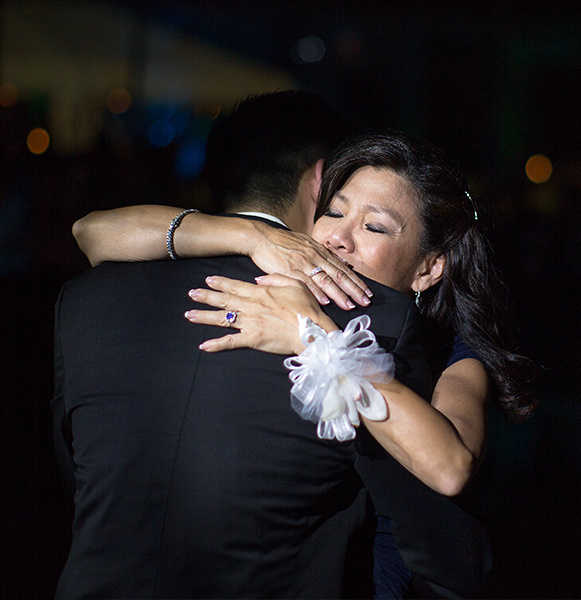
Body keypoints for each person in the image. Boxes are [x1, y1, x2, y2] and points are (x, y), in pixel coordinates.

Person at [73, 131, 535, 598]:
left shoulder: (454, 355)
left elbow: (450, 468)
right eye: (333, 212)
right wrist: (252, 235)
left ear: (429, 268)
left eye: (373, 227)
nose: (337, 237)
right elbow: (89, 232)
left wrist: (315, 336)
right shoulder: (273, 290)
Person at [51, 91, 433, 598]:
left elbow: (77, 472)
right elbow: (416, 522)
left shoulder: (86, 298)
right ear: (321, 180)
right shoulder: (370, 321)